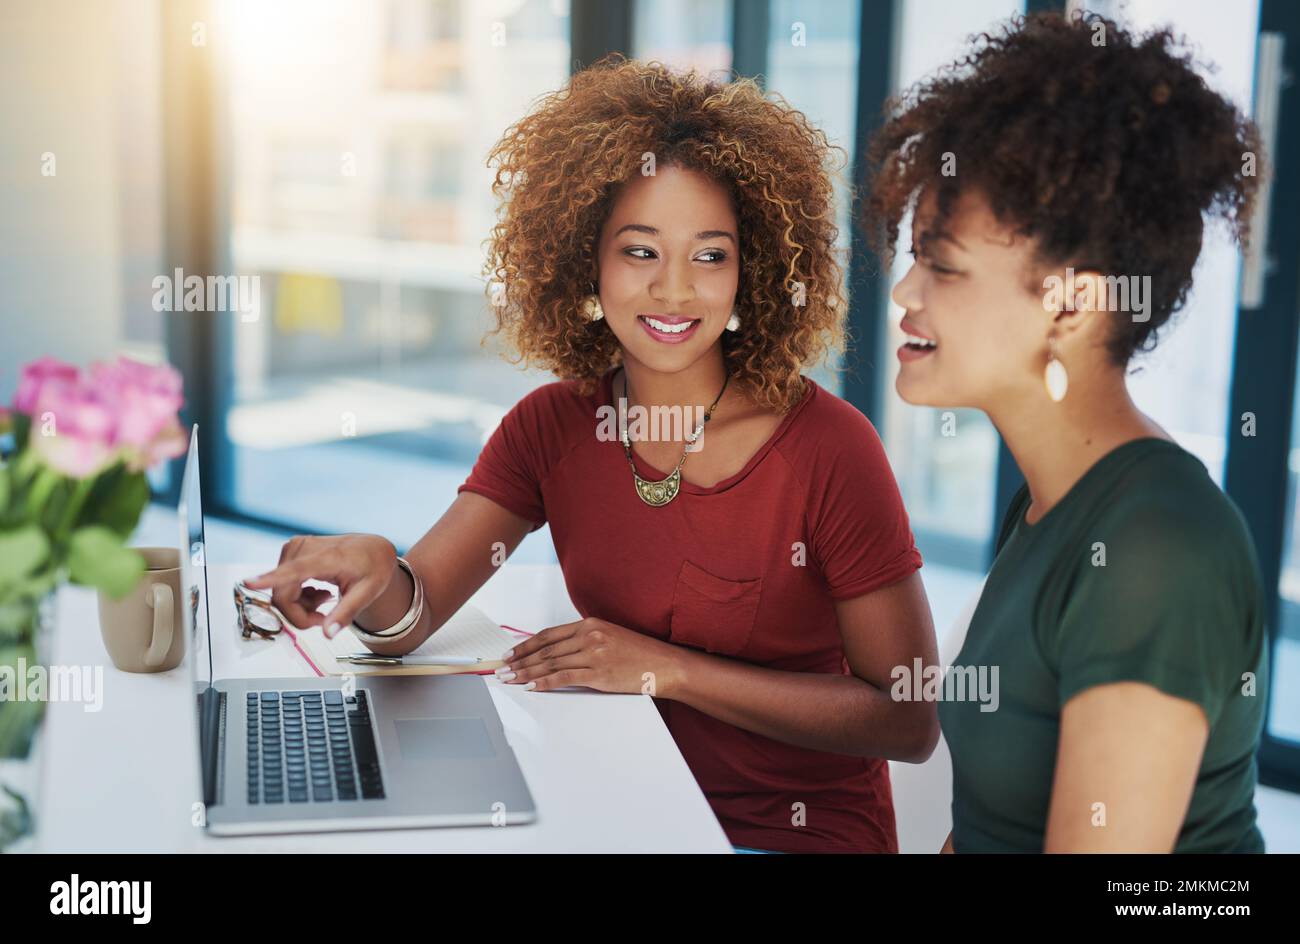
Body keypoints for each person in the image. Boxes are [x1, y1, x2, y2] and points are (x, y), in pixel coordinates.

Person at [245, 55, 939, 853]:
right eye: (640, 251)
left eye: (710, 255)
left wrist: (666, 669)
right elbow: (414, 615)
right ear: (587, 260)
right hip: (615, 802)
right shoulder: (554, 427)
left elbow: (908, 718)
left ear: (752, 272)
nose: (675, 291)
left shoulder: (829, 448)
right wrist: (376, 573)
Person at [866, 11, 1269, 852]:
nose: (905, 292)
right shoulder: (1051, 505)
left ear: (1075, 303)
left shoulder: (1157, 547)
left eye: (941, 265)